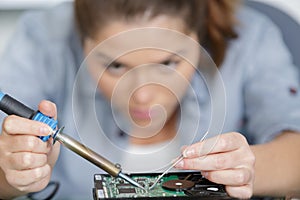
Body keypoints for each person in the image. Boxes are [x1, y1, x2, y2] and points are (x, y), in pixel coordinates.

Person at [0, 0, 300, 199]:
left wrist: (247, 168)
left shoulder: (251, 36)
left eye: (168, 64)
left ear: (198, 37)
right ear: (82, 42)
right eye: (115, 66)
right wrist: (14, 170)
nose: (143, 95)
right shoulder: (43, 37)